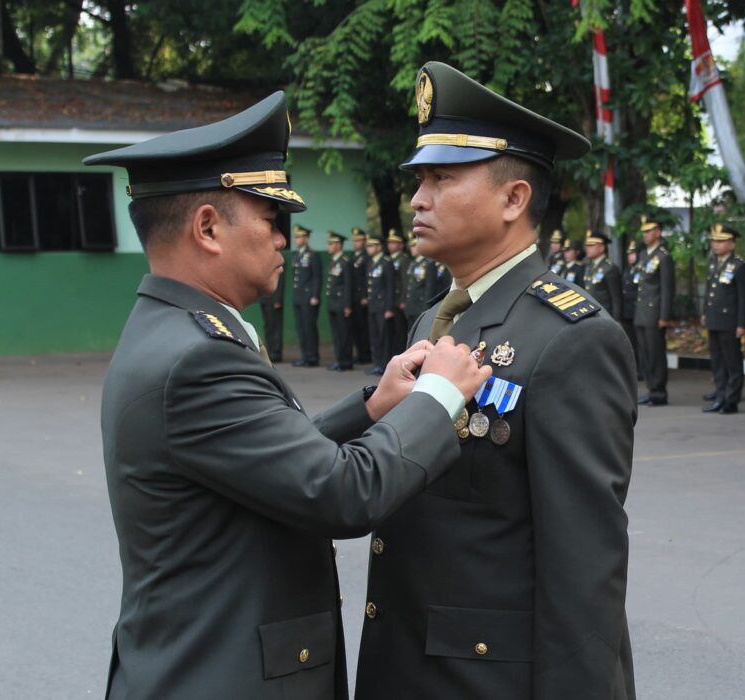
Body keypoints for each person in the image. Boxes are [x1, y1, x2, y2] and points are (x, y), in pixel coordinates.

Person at [84, 91, 491, 700]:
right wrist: (438, 397)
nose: (282, 238)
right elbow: (343, 493)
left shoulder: (172, 331)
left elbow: (259, 462)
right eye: (271, 219)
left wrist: (370, 410)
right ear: (207, 228)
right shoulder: (199, 357)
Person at [354, 61, 636, 700]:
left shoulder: (571, 338)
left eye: (442, 179)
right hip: (405, 664)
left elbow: (583, 572)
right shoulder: (437, 316)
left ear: (514, 199)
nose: (419, 199)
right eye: (419, 180)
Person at [701, 224, 745, 414]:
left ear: (732, 244)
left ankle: (731, 399)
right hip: (714, 319)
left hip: (729, 321)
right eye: (715, 241)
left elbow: (743, 297)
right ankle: (720, 395)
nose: (716, 245)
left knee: (732, 361)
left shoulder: (739, 265)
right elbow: (709, 292)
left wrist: (742, 323)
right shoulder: (714, 263)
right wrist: (705, 312)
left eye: (721, 241)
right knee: (717, 360)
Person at [634, 216, 675, 406]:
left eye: (649, 231)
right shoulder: (644, 255)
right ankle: (651, 389)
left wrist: (664, 315)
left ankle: (659, 392)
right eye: (644, 231)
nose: (646, 235)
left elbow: (667, 288)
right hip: (642, 311)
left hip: (655, 312)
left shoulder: (663, 256)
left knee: (656, 353)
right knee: (645, 353)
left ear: (658, 233)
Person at [289, 224, 322, 367]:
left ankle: (312, 357)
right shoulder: (296, 255)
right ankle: (304, 356)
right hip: (298, 296)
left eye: (300, 237)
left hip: (309, 297)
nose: (297, 239)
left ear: (307, 238)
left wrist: (315, 295)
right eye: (296, 237)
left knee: (309, 328)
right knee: (301, 328)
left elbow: (317, 277)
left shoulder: (313, 255)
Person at [324, 230, 354, 371]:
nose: (329, 246)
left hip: (342, 304)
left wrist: (347, 305)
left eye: (331, 243)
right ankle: (339, 359)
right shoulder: (333, 261)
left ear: (339, 245)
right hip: (333, 303)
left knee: (344, 333)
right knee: (336, 333)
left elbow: (348, 285)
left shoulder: (344, 262)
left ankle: (346, 361)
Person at [365, 232, 394, 376]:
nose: (368, 248)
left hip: (383, 306)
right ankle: (376, 363)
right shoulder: (371, 262)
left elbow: (390, 286)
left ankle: (384, 364)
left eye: (371, 246)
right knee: (374, 336)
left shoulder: (386, 262)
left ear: (378, 247)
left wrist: (389, 307)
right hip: (373, 305)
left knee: (384, 337)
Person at [403, 234, 444, 330]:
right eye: (410, 246)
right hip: (412, 305)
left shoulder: (428, 264)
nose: (411, 249)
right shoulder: (413, 263)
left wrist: (426, 308)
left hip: (421, 305)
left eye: (414, 246)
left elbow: (430, 288)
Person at [257, 244, 285, 363]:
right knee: (268, 326)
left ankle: (276, 352)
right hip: (265, 298)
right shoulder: (264, 257)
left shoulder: (278, 259)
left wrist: (278, 299)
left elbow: (280, 281)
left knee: (275, 326)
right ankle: (270, 351)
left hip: (274, 299)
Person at [583, 229, 622, 316]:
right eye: (587, 245)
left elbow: (616, 297)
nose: (587, 248)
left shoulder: (609, 268)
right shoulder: (590, 266)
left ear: (601, 248)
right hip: (591, 313)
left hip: (604, 315)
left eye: (591, 245)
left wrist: (616, 319)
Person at [350, 227, 374, 365]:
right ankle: (360, 353)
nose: (355, 243)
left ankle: (365, 354)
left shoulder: (366, 258)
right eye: (354, 241)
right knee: (357, 327)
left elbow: (367, 278)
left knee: (364, 328)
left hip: (363, 298)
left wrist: (365, 295)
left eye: (358, 240)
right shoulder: (355, 257)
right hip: (355, 297)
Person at [387, 229, 411, 356]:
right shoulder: (390, 259)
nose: (391, 245)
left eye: (394, 243)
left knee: (400, 330)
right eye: (389, 242)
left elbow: (405, 281)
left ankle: (401, 354)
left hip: (398, 300)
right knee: (393, 331)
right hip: (392, 299)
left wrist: (403, 300)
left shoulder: (403, 260)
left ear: (401, 245)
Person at [621, 238, 643, 376]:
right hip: (628, 310)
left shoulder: (641, 269)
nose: (630, 257)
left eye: (633, 254)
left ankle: (642, 368)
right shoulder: (628, 270)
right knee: (631, 341)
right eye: (629, 254)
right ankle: (635, 367)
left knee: (641, 342)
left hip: (638, 310)